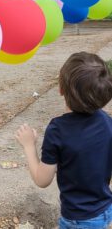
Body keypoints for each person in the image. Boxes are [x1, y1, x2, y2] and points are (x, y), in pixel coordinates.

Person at [16, 52, 112, 229]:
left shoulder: (57, 130)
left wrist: (29, 145)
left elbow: (42, 180)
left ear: (61, 89)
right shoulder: (108, 123)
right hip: (105, 209)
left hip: (78, 220)